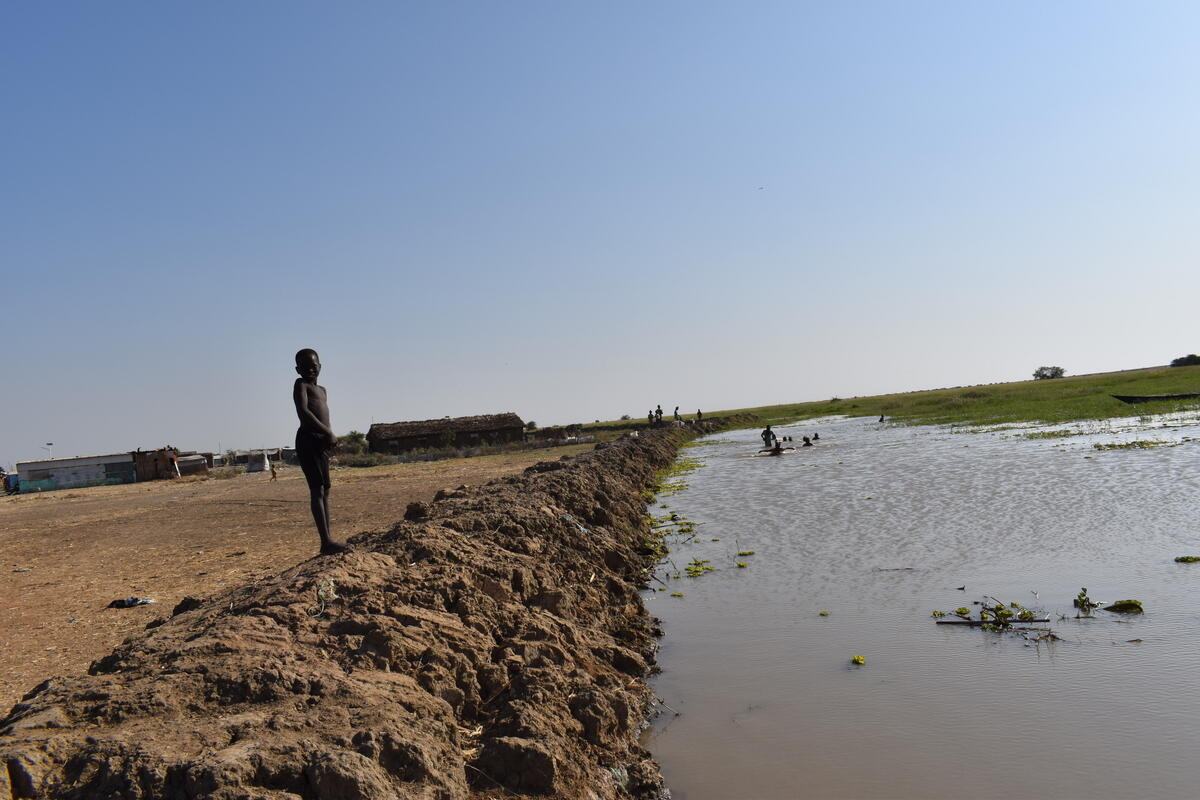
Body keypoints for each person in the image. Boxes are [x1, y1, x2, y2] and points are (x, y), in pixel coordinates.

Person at [293, 348, 347, 555]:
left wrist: (327, 437)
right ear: (297, 369)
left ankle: (329, 540)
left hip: (320, 443)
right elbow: (304, 412)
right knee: (317, 490)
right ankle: (325, 542)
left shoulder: (322, 390)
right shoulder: (301, 385)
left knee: (326, 489)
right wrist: (328, 433)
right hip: (308, 440)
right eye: (305, 367)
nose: (310, 370)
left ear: (320, 367)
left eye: (314, 366)